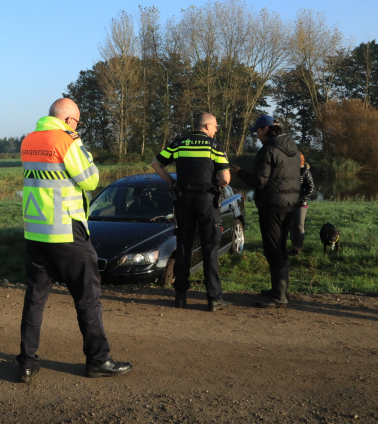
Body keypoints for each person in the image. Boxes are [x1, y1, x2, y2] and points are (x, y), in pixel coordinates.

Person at [17, 98, 132, 384]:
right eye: (77, 123)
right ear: (69, 120)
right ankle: (98, 360)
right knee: (87, 300)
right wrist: (78, 142)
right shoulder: (67, 141)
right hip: (66, 232)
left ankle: (28, 363)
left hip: (35, 232)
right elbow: (90, 181)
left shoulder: (28, 141)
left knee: (35, 300)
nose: (77, 127)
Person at [150, 112, 231, 312]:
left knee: (184, 246)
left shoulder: (178, 144)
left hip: (183, 201)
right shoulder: (215, 147)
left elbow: (156, 164)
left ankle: (180, 296)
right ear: (207, 126)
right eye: (215, 126)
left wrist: (173, 182)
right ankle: (214, 298)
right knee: (209, 249)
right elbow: (226, 180)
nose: (216, 130)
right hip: (207, 201)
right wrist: (215, 185)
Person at [230, 115, 300, 308]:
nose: (257, 135)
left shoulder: (267, 151)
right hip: (289, 205)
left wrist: (239, 172)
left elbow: (258, 181)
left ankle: (279, 297)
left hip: (272, 205)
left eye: (258, 131)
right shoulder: (293, 150)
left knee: (272, 248)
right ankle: (280, 290)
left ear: (266, 130)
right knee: (281, 246)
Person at [290, 153, 314, 255]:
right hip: (290, 203)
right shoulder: (289, 171)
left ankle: (299, 248)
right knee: (291, 226)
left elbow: (311, 188)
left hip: (301, 203)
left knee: (299, 225)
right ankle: (293, 247)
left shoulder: (305, 171)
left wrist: (300, 199)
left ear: (301, 161)